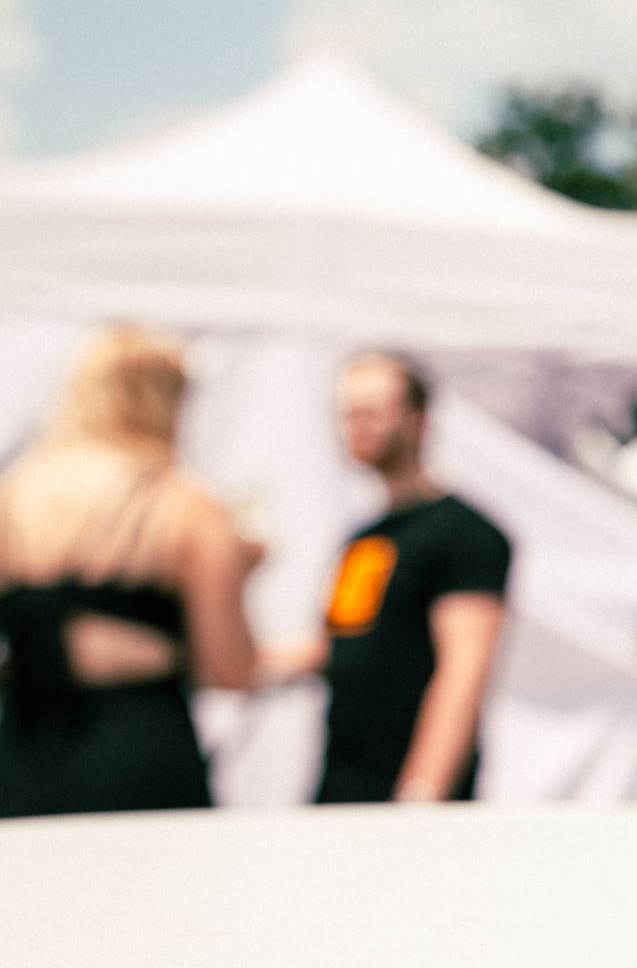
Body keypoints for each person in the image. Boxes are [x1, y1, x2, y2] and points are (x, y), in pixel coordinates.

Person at [0, 327, 260, 816]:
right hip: (139, 744)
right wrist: (240, 573)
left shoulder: (14, 494)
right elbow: (231, 670)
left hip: (21, 738)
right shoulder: (185, 504)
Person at [270, 353, 512, 803]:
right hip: (342, 783)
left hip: (406, 790)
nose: (357, 427)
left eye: (372, 413)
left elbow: (463, 674)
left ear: (418, 419)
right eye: (348, 415)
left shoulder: (465, 534)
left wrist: (422, 792)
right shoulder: (365, 540)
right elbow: (340, 645)